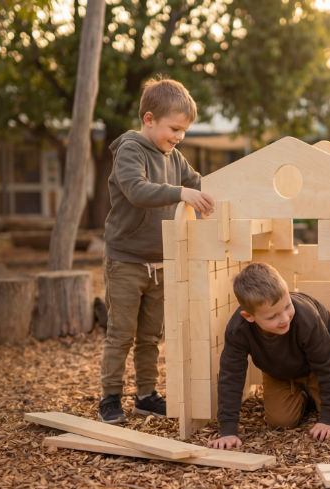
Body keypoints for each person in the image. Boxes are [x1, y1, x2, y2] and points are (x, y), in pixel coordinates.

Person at [98, 77, 215, 424]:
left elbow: (198, 184)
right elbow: (137, 190)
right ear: (149, 119)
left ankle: (146, 396)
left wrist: (224, 190)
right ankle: (110, 397)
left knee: (150, 336)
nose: (179, 137)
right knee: (121, 335)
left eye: (184, 131)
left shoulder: (175, 157)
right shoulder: (130, 150)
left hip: (161, 263)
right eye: (174, 129)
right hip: (126, 261)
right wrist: (180, 193)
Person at [207, 263, 330, 449]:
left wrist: (328, 419)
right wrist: (228, 431)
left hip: (321, 357)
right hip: (277, 366)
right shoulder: (237, 331)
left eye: (288, 306)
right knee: (280, 422)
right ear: (249, 316)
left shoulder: (307, 319)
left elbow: (326, 365)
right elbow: (231, 376)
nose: (285, 319)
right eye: (272, 317)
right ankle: (305, 393)